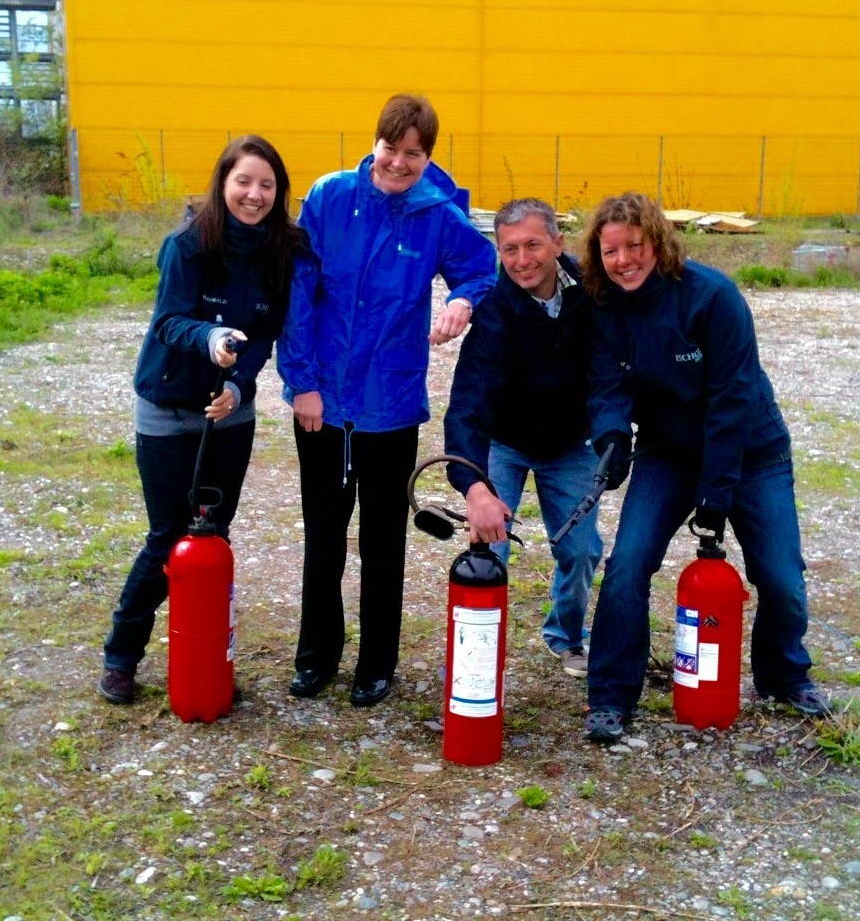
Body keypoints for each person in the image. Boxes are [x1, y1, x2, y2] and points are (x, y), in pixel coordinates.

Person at [581, 192, 828, 743]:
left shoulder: (712, 297)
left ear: (658, 242)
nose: (623, 261)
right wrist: (613, 437)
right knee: (627, 566)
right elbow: (607, 384)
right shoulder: (605, 304)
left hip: (752, 450)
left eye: (635, 246)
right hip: (667, 452)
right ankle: (610, 695)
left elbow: (732, 402)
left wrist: (717, 494)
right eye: (611, 251)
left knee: (780, 577)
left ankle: (785, 675)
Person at [278, 93, 497, 707]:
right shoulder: (328, 198)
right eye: (391, 149)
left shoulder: (436, 214)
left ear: (428, 156)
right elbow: (299, 291)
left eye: (414, 153)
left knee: (383, 540)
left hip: (392, 405)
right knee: (324, 534)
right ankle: (316, 655)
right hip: (322, 404)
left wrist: (463, 300)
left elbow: (483, 269)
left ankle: (377, 664)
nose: (400, 164)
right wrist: (303, 384)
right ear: (373, 143)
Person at [99, 135, 301, 705]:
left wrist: (239, 386)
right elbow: (169, 322)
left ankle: (207, 658)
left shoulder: (280, 253)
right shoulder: (187, 245)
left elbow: (264, 336)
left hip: (228, 417)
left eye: (267, 185)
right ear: (223, 184)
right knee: (168, 539)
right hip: (167, 408)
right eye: (244, 182)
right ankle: (121, 656)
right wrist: (210, 337)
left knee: (213, 538)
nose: (254, 195)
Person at [444, 198, 601, 679]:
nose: (522, 260)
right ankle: (479, 647)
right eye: (509, 249)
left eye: (533, 244)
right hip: (505, 443)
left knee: (580, 550)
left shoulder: (594, 296)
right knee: (487, 547)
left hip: (572, 444)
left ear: (558, 242)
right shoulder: (494, 313)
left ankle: (567, 637)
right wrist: (474, 487)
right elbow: (467, 405)